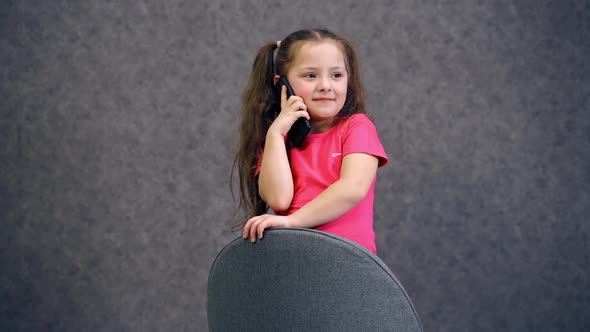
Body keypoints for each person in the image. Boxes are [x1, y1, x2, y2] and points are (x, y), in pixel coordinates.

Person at [233, 28, 388, 254]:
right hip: (293, 260)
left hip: (348, 264)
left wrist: (292, 222)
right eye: (311, 75)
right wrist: (276, 134)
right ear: (282, 84)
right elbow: (278, 200)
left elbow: (352, 188)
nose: (325, 85)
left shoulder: (357, 127)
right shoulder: (277, 141)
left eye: (337, 75)